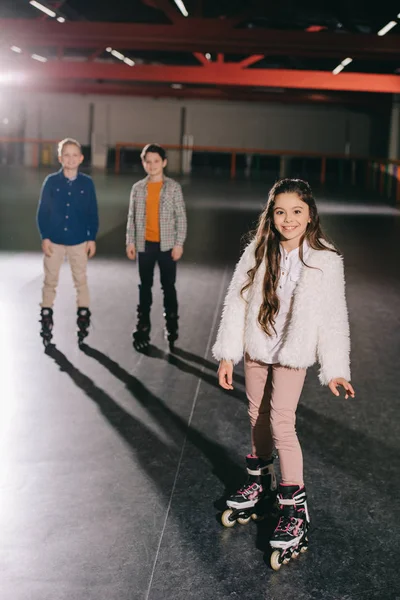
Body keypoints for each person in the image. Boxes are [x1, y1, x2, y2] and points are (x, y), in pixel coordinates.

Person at [212, 178, 355, 570]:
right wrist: (228, 353)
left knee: (281, 421)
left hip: (293, 355)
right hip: (258, 348)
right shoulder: (258, 251)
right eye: (280, 212)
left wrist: (336, 369)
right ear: (271, 216)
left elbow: (333, 318)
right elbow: (236, 302)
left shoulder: (326, 259)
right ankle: (259, 484)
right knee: (256, 414)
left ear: (310, 214)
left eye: (296, 211)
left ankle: (294, 506)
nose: (288, 219)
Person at [36, 138, 99, 346]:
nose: (70, 159)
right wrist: (45, 236)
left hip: (78, 240)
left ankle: (83, 313)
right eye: (66, 155)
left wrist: (91, 238)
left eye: (74, 155)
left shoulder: (87, 183)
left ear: (81, 158)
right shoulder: (51, 182)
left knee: (80, 279)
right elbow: (42, 211)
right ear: (60, 158)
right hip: (54, 240)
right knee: (50, 280)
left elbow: (92, 213)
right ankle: (46, 314)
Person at [126, 143, 187, 351]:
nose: (152, 165)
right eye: (148, 161)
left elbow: (181, 218)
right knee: (145, 286)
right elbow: (132, 217)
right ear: (144, 163)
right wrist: (131, 241)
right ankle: (143, 325)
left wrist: (178, 244)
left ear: (164, 163)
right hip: (145, 246)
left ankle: (171, 324)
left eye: (156, 161)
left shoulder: (173, 188)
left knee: (168, 286)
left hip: (167, 247)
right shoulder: (137, 188)